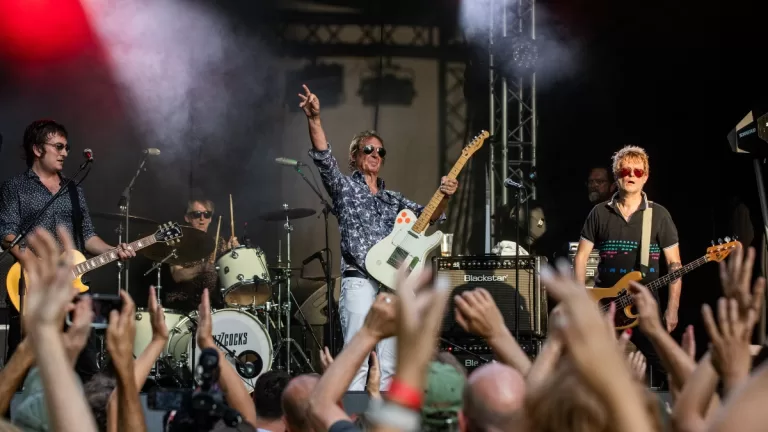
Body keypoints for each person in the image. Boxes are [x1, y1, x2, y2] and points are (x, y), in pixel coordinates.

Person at [298, 84, 459, 391]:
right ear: (354, 157)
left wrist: (446, 195)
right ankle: (352, 413)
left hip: (393, 284)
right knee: (357, 357)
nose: (375, 154)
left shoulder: (394, 199)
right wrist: (314, 118)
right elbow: (324, 158)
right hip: (359, 279)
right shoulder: (345, 189)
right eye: (368, 150)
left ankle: (382, 413)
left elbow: (430, 216)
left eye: (380, 151)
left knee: (391, 363)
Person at [0, 119, 136, 382]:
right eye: (58, 147)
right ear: (37, 149)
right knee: (21, 371)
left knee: (87, 369)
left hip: (72, 291)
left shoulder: (73, 190)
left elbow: (88, 236)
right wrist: (40, 266)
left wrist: (114, 249)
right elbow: (7, 234)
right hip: (32, 288)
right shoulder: (15, 187)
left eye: (67, 147)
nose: (65, 153)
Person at [573, 145, 681, 381]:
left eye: (637, 172)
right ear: (616, 176)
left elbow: (674, 264)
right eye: (625, 171)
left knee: (667, 368)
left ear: (645, 177)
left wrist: (672, 308)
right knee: (593, 373)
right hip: (605, 307)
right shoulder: (599, 213)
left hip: (645, 306)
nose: (631, 175)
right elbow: (581, 257)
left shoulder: (659, 215)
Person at [165, 198, 238, 311]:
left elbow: (229, 275)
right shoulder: (177, 243)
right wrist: (200, 268)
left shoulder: (219, 242)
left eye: (207, 214)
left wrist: (231, 254)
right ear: (187, 218)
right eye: (197, 214)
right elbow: (177, 275)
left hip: (214, 306)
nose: (202, 219)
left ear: (210, 219)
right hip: (184, 305)